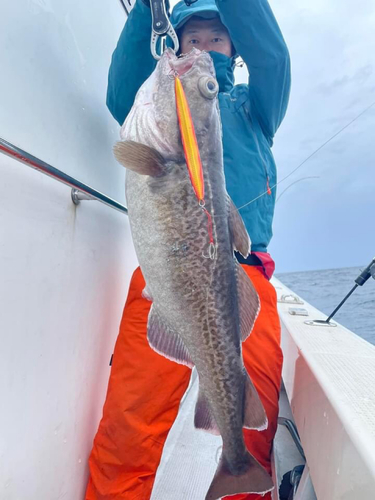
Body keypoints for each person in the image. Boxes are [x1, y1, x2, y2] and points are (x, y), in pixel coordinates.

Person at [86, 0, 291, 498]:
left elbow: (272, 58)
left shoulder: (254, 107)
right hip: (168, 281)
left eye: (215, 38)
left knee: (254, 420)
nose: (201, 47)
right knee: (130, 422)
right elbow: (121, 91)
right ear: (171, 45)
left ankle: (238, 470)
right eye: (190, 38)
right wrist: (151, 16)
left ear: (234, 49)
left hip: (246, 281)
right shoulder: (150, 99)